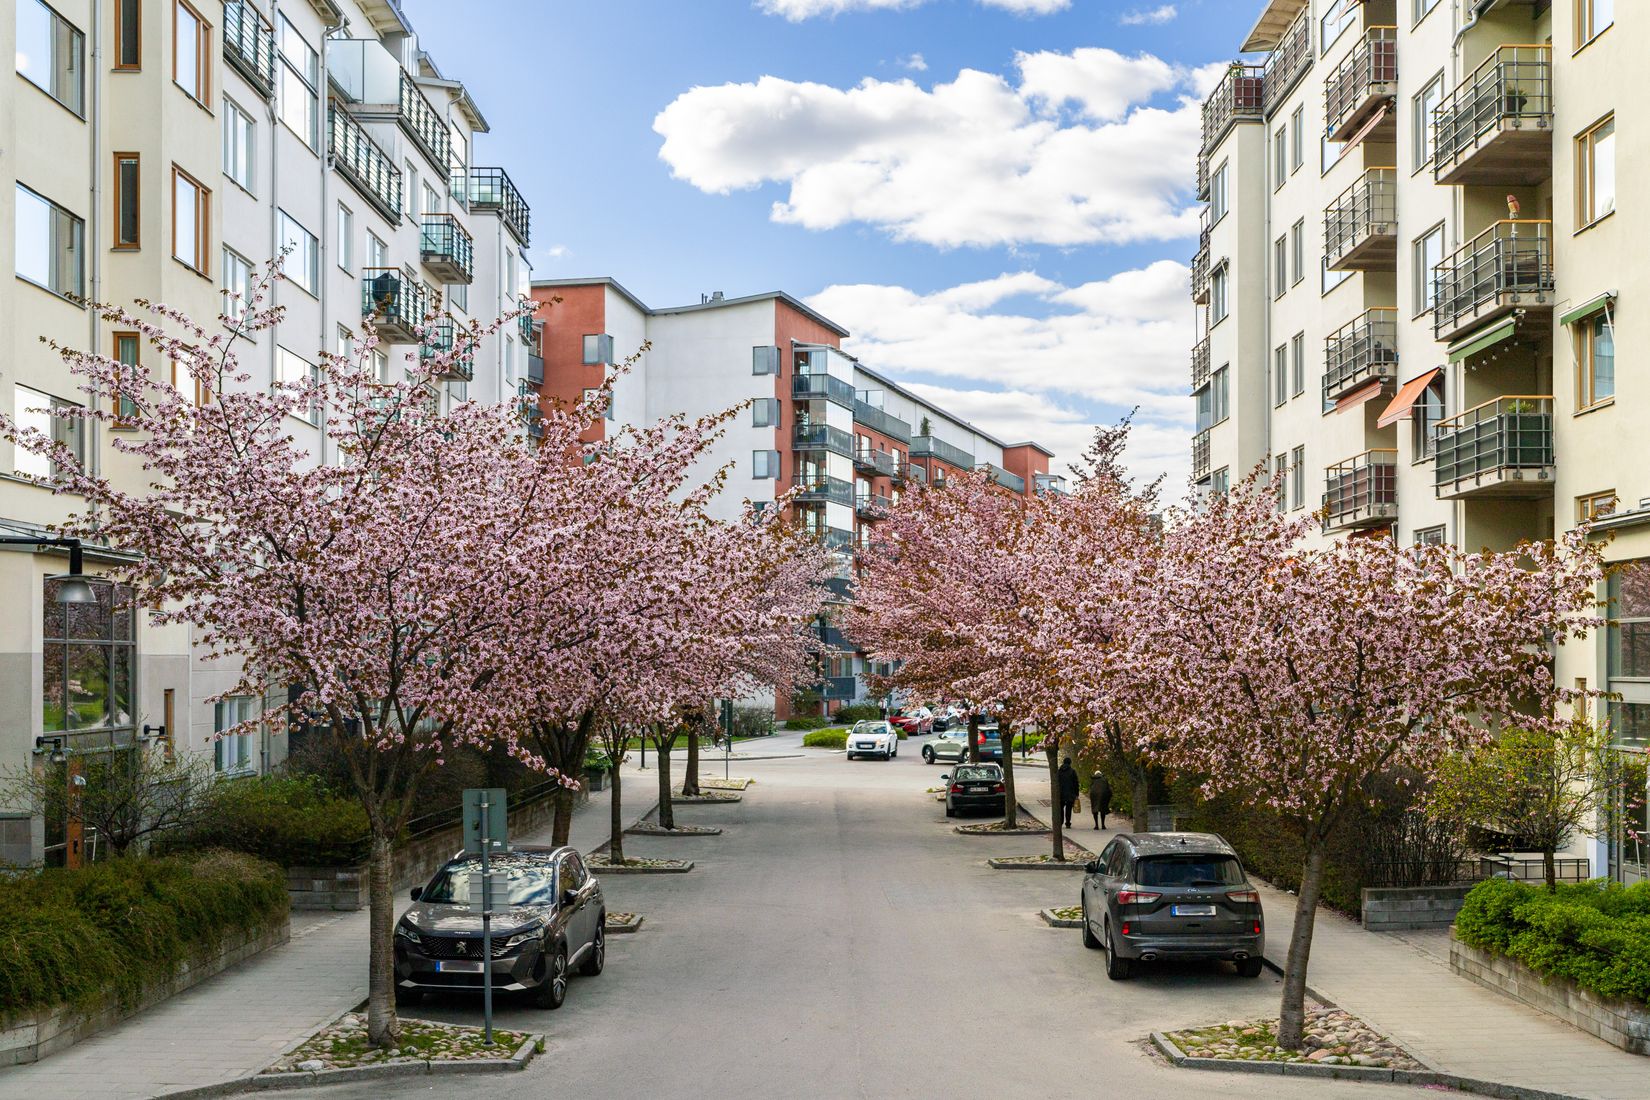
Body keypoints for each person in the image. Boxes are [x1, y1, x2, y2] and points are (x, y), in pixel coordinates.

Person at [1057, 758, 1080, 828]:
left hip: (1060, 794)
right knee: (1068, 809)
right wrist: (1077, 794)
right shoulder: (1072, 771)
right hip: (1070, 793)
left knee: (1060, 808)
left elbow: (1056, 782)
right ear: (1070, 763)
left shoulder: (1059, 771)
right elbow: (1076, 783)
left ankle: (1060, 822)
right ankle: (1067, 823)